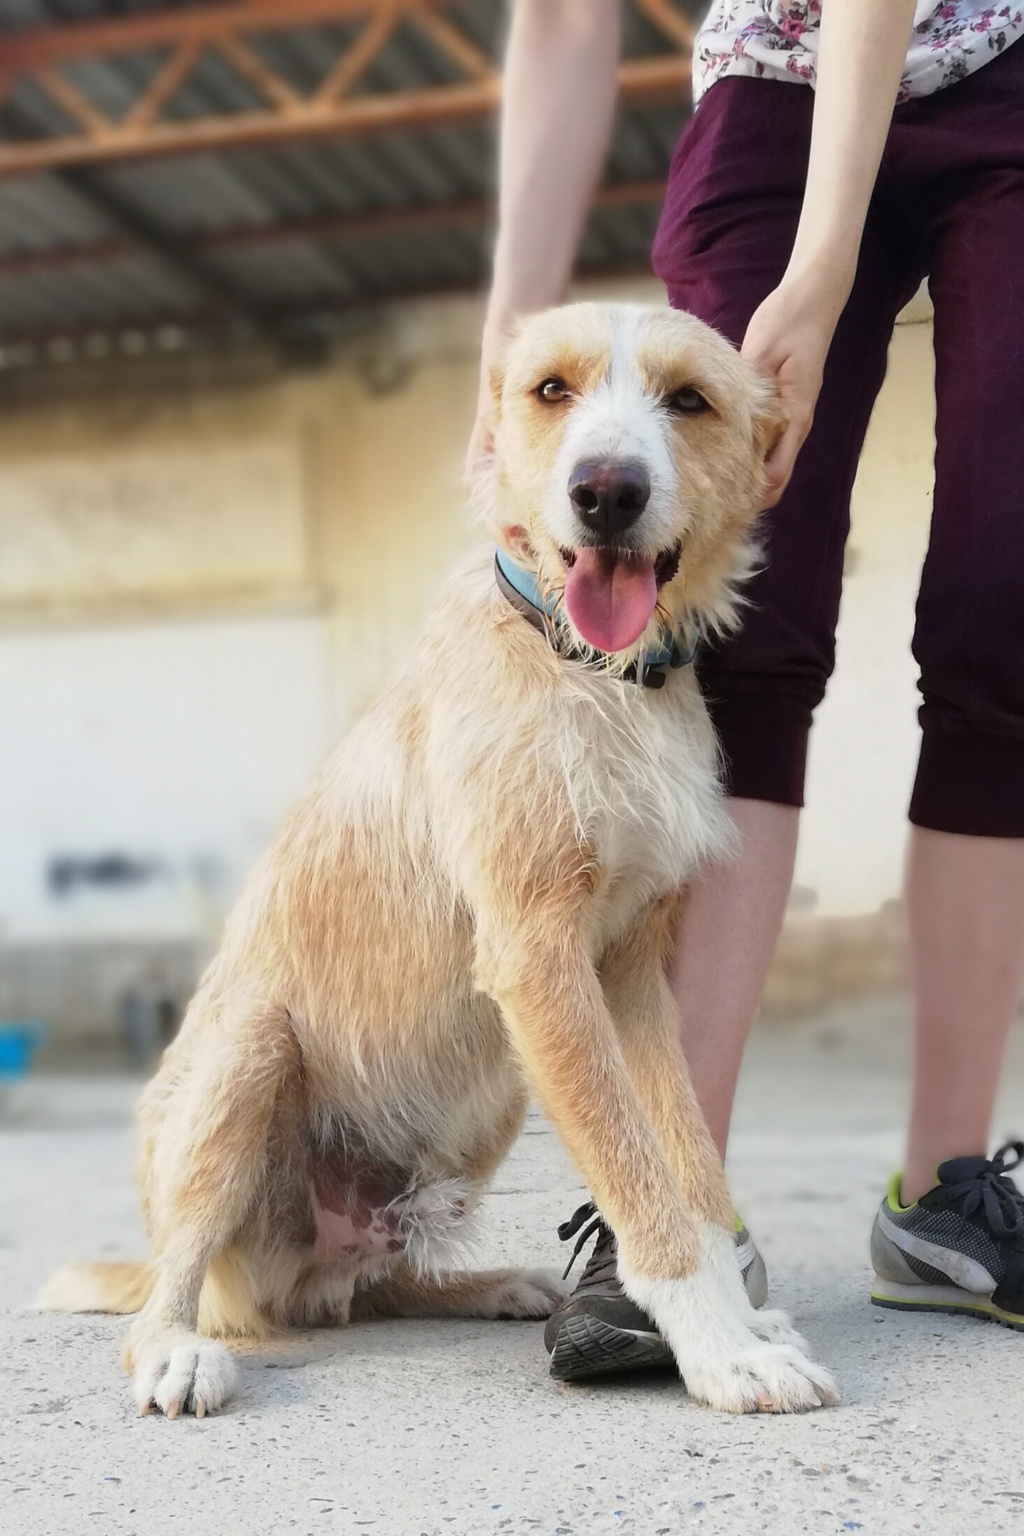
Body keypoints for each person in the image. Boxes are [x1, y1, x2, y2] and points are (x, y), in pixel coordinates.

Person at [470, 0, 1024, 1381]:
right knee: (734, 635)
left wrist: (827, 266)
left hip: (1002, 82)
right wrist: (503, 372)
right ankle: (663, 1201)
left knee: (1004, 617)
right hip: (767, 100)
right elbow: (559, 22)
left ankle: (947, 1195)